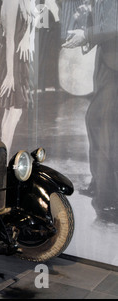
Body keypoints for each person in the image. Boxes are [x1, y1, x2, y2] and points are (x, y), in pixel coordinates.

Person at [62, 0, 118, 222]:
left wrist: (86, 35)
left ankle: (108, 197)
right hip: (108, 62)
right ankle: (101, 185)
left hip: (114, 67)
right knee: (102, 124)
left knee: (98, 122)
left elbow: (114, 23)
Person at [0, 0, 34, 154]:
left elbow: (29, 22)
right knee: (14, 110)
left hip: (18, 58)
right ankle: (4, 156)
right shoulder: (11, 2)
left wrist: (26, 37)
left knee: (11, 109)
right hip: (13, 60)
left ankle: (3, 155)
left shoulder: (22, 2)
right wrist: (10, 74)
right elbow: (9, 39)